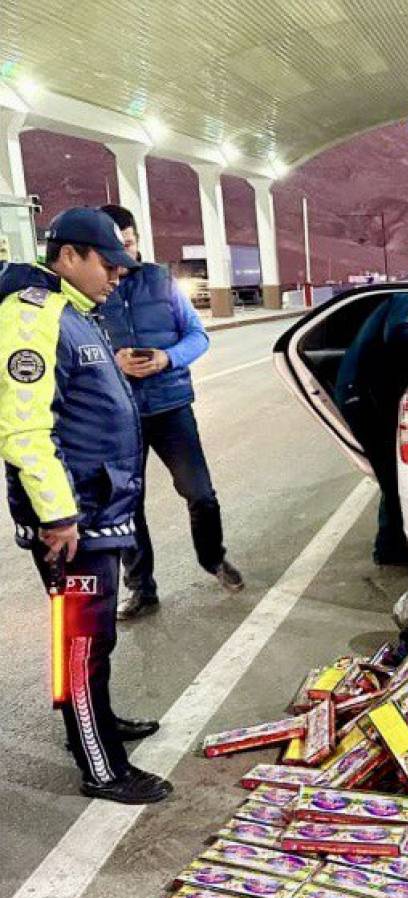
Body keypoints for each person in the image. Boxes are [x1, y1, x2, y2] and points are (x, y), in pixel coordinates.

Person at [0, 207, 171, 804]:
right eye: (109, 263)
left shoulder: (75, 312)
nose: (118, 275)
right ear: (69, 255)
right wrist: (57, 515)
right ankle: (101, 768)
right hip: (72, 520)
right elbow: (23, 430)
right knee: (80, 643)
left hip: (97, 510)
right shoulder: (33, 317)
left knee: (92, 638)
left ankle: (94, 724)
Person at [96, 205, 243, 620]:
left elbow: (197, 336)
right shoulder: (89, 290)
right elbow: (75, 350)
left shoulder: (161, 282)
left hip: (171, 405)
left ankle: (213, 558)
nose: (122, 254)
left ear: (137, 241)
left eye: (128, 244)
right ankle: (141, 589)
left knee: (200, 493)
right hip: (118, 415)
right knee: (127, 504)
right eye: (113, 247)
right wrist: (114, 363)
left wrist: (167, 357)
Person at [332, 292, 408, 563]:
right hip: (362, 395)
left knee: (392, 470)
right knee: (393, 474)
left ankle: (389, 544)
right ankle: (397, 549)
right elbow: (402, 337)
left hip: (366, 393)